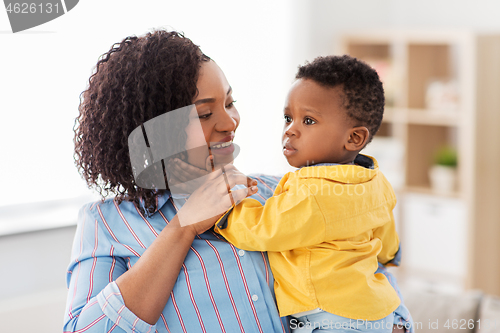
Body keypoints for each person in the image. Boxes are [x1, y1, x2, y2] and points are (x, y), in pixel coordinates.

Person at [65, 29, 410, 333]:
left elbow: (364, 264)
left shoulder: (282, 191)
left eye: (230, 103)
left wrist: (396, 323)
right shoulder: (107, 225)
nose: (230, 122)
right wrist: (181, 229)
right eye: (204, 113)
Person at [213, 55, 414, 332]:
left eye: (308, 120)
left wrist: (228, 208)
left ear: (354, 138)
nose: (290, 130)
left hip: (334, 318)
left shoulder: (312, 193)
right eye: (288, 117)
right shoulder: (377, 182)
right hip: (376, 310)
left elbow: (263, 229)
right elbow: (385, 240)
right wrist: (392, 257)